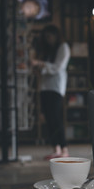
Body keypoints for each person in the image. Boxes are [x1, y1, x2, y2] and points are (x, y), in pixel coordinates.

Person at [32, 24, 70, 160]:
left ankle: (64, 149)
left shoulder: (63, 47)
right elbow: (45, 70)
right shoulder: (48, 51)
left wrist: (40, 64)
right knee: (48, 119)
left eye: (49, 36)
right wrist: (39, 67)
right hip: (44, 87)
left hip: (56, 88)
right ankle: (56, 149)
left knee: (56, 119)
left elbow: (58, 68)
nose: (47, 39)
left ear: (55, 35)